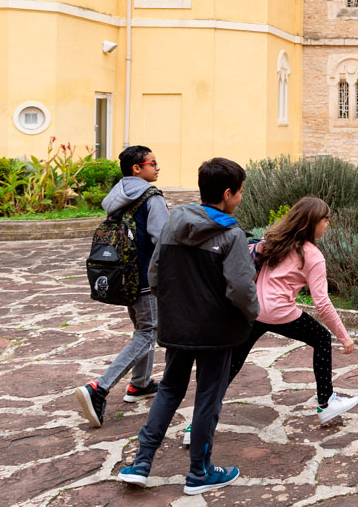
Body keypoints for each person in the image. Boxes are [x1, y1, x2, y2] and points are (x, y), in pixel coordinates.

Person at [117, 157, 258, 496]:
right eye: (239, 192)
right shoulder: (231, 234)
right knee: (209, 396)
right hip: (217, 331)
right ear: (227, 193)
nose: (240, 198)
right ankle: (199, 472)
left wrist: (174, 308)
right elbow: (241, 288)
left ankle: (141, 463)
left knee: (169, 389)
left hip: (178, 325)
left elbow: (155, 273)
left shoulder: (173, 224)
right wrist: (251, 314)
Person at [225, 196, 358, 424]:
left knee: (231, 366)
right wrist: (344, 337)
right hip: (280, 312)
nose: (328, 223)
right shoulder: (313, 255)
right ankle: (326, 403)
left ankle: (198, 422)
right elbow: (322, 303)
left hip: (254, 310)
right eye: (325, 219)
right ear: (312, 222)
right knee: (322, 338)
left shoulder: (274, 241)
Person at [73, 145, 170, 428]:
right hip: (145, 277)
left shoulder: (118, 194)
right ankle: (99, 388)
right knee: (148, 332)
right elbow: (163, 239)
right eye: (153, 163)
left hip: (123, 276)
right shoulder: (151, 196)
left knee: (143, 328)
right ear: (137, 168)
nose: (157, 167)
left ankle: (140, 384)